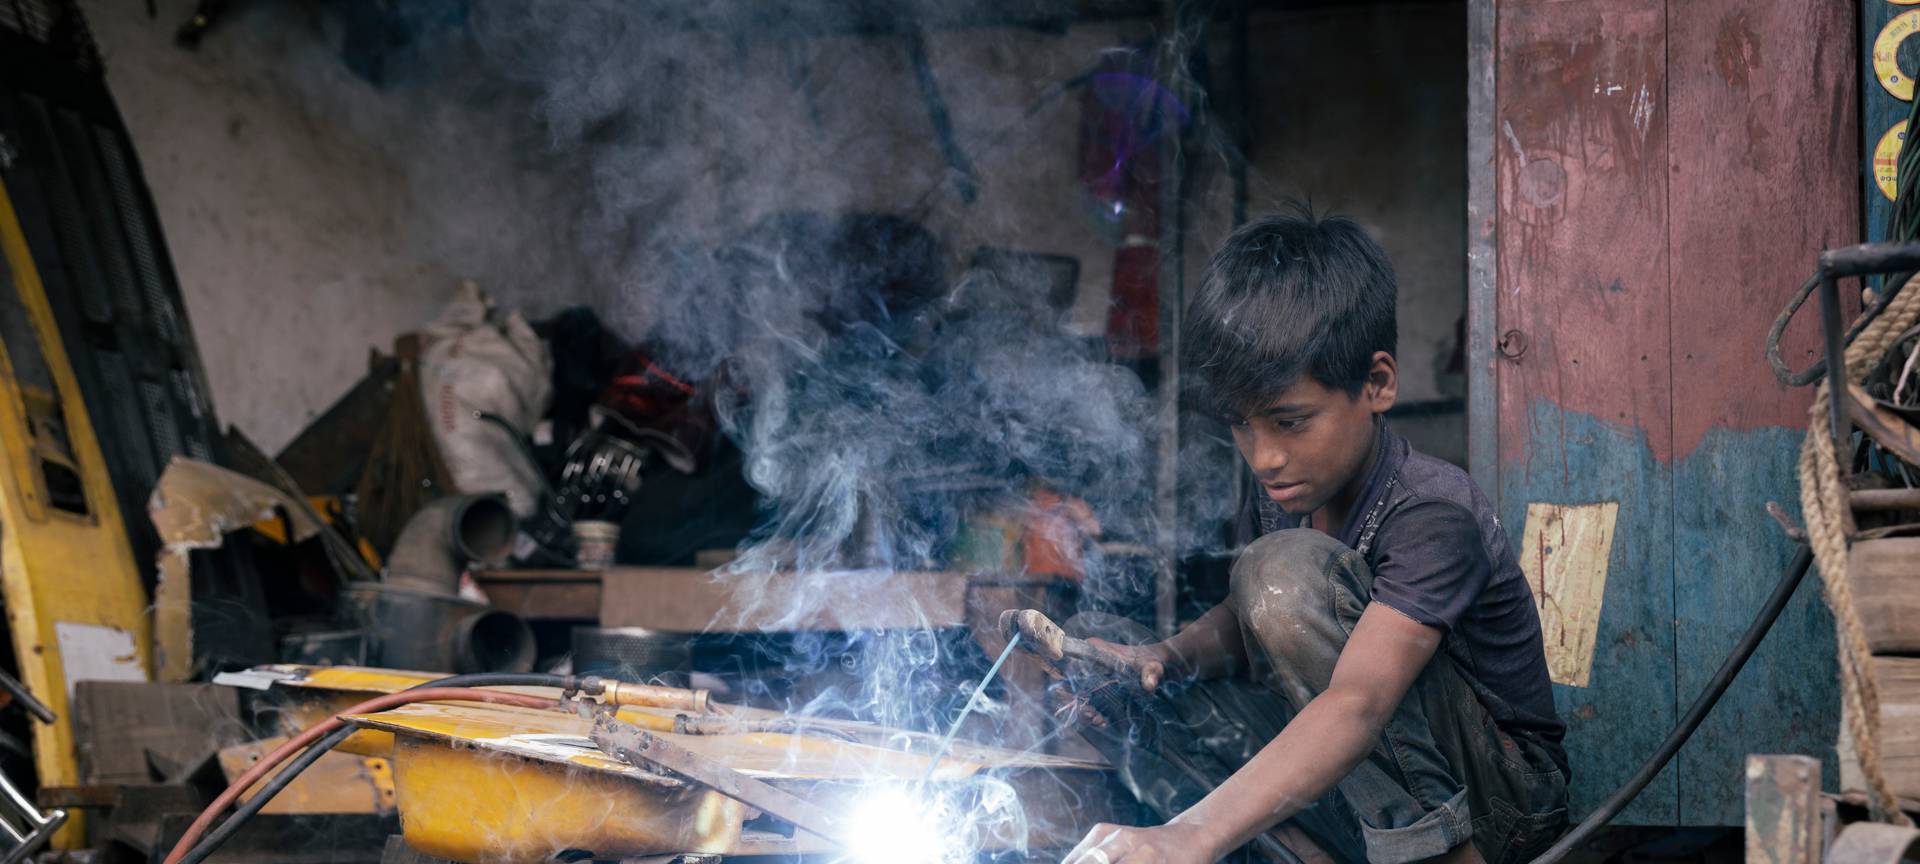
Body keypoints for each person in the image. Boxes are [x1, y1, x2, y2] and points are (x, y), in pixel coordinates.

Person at [1056, 207, 1567, 864]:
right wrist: (1161, 657)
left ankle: (1438, 858)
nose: (1264, 456)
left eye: (1290, 422)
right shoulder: (1286, 489)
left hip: (1500, 799)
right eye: (1242, 425)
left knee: (1281, 573)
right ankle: (1303, 854)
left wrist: (1190, 835)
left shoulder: (1434, 514)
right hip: (1361, 781)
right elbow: (1244, 619)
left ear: (1377, 384)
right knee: (1115, 681)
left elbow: (1359, 700)